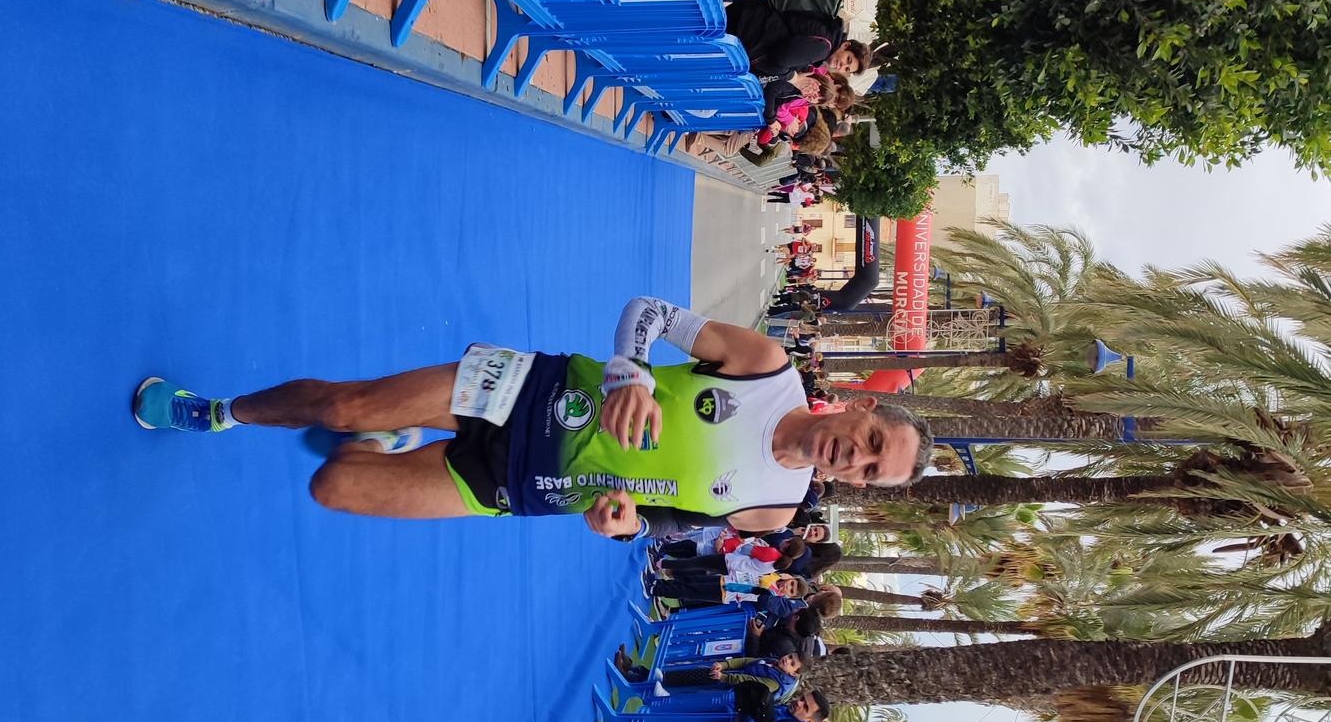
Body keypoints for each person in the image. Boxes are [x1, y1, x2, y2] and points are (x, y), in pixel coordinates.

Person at [133, 296, 932, 530]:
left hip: (532, 488)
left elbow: (667, 522)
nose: (851, 460)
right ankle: (222, 411)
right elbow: (648, 311)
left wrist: (624, 526)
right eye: (868, 441)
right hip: (532, 391)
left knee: (335, 485)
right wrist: (634, 378)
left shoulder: (773, 513)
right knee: (343, 406)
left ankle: (389, 437)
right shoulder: (763, 368)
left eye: (867, 472)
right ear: (859, 407)